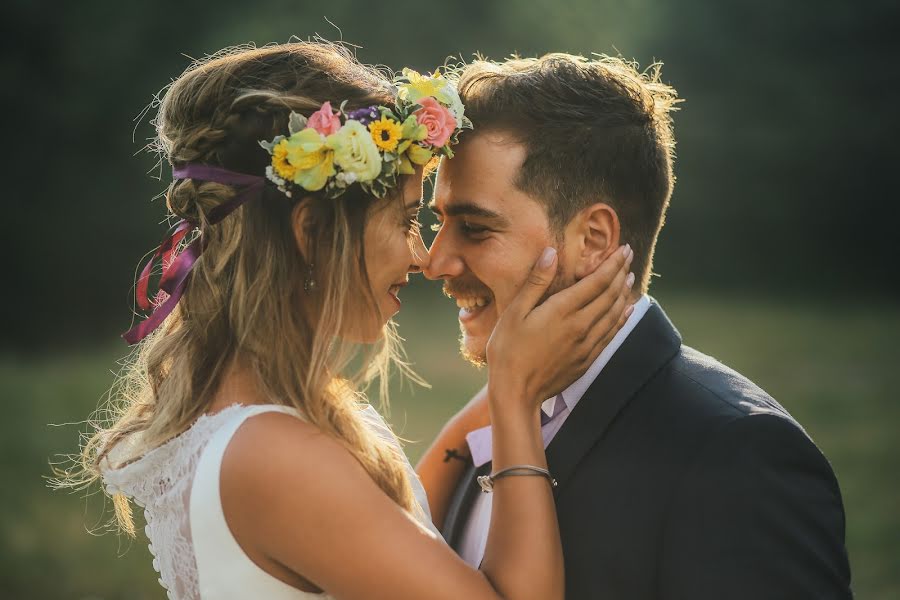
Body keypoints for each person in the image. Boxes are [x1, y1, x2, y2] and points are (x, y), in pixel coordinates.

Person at [67, 43, 634, 600]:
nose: (423, 256)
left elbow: (398, 540)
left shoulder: (252, 417)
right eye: (407, 219)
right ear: (311, 232)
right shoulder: (278, 456)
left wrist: (514, 375)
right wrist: (512, 399)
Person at [421, 53, 853, 599]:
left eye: (475, 228)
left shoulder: (735, 454)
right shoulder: (500, 410)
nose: (436, 263)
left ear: (594, 239)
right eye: (439, 223)